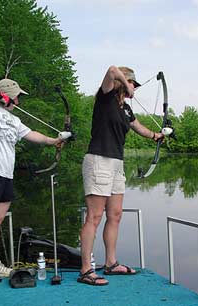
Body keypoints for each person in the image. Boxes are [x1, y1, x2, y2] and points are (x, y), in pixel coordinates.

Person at [0, 79, 63, 290]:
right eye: (16, 96)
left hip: (5, 174)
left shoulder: (14, 119)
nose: (18, 100)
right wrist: (0, 97)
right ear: (7, 95)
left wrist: (53, 140)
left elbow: (32, 135)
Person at [78, 66, 164, 286]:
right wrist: (125, 83)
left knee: (115, 214)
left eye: (133, 85)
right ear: (124, 82)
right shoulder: (105, 97)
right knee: (94, 217)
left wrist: (157, 135)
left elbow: (138, 127)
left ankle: (111, 263)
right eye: (132, 84)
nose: (133, 89)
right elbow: (111, 70)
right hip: (98, 160)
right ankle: (86, 270)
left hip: (116, 163)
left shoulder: (125, 109)